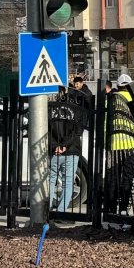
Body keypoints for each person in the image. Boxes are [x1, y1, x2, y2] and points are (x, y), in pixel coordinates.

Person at [103, 74, 134, 216]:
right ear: (130, 86)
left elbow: (105, 123)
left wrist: (105, 142)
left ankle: (111, 209)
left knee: (113, 177)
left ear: (117, 87)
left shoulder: (110, 100)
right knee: (127, 177)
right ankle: (124, 207)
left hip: (114, 144)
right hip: (131, 144)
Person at [49, 87, 85, 215]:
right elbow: (77, 132)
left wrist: (55, 146)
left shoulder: (49, 108)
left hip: (54, 152)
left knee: (51, 180)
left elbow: (44, 130)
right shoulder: (76, 110)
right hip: (71, 150)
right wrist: (65, 145)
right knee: (68, 182)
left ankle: (47, 211)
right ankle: (61, 212)